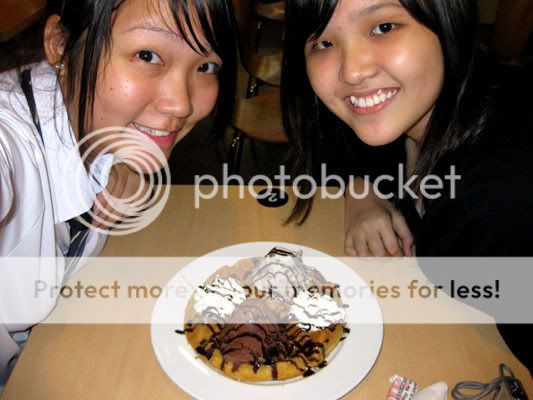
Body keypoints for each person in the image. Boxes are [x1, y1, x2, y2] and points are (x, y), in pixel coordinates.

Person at [281, 0, 532, 370]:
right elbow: (337, 139)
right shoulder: (420, 106)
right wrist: (361, 190)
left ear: (448, 17)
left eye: (384, 28)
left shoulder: (502, 194)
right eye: (324, 43)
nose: (352, 71)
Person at [0, 0, 237, 386]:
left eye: (206, 66)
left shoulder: (95, 119)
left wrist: (125, 165)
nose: (181, 104)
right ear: (59, 44)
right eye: (147, 56)